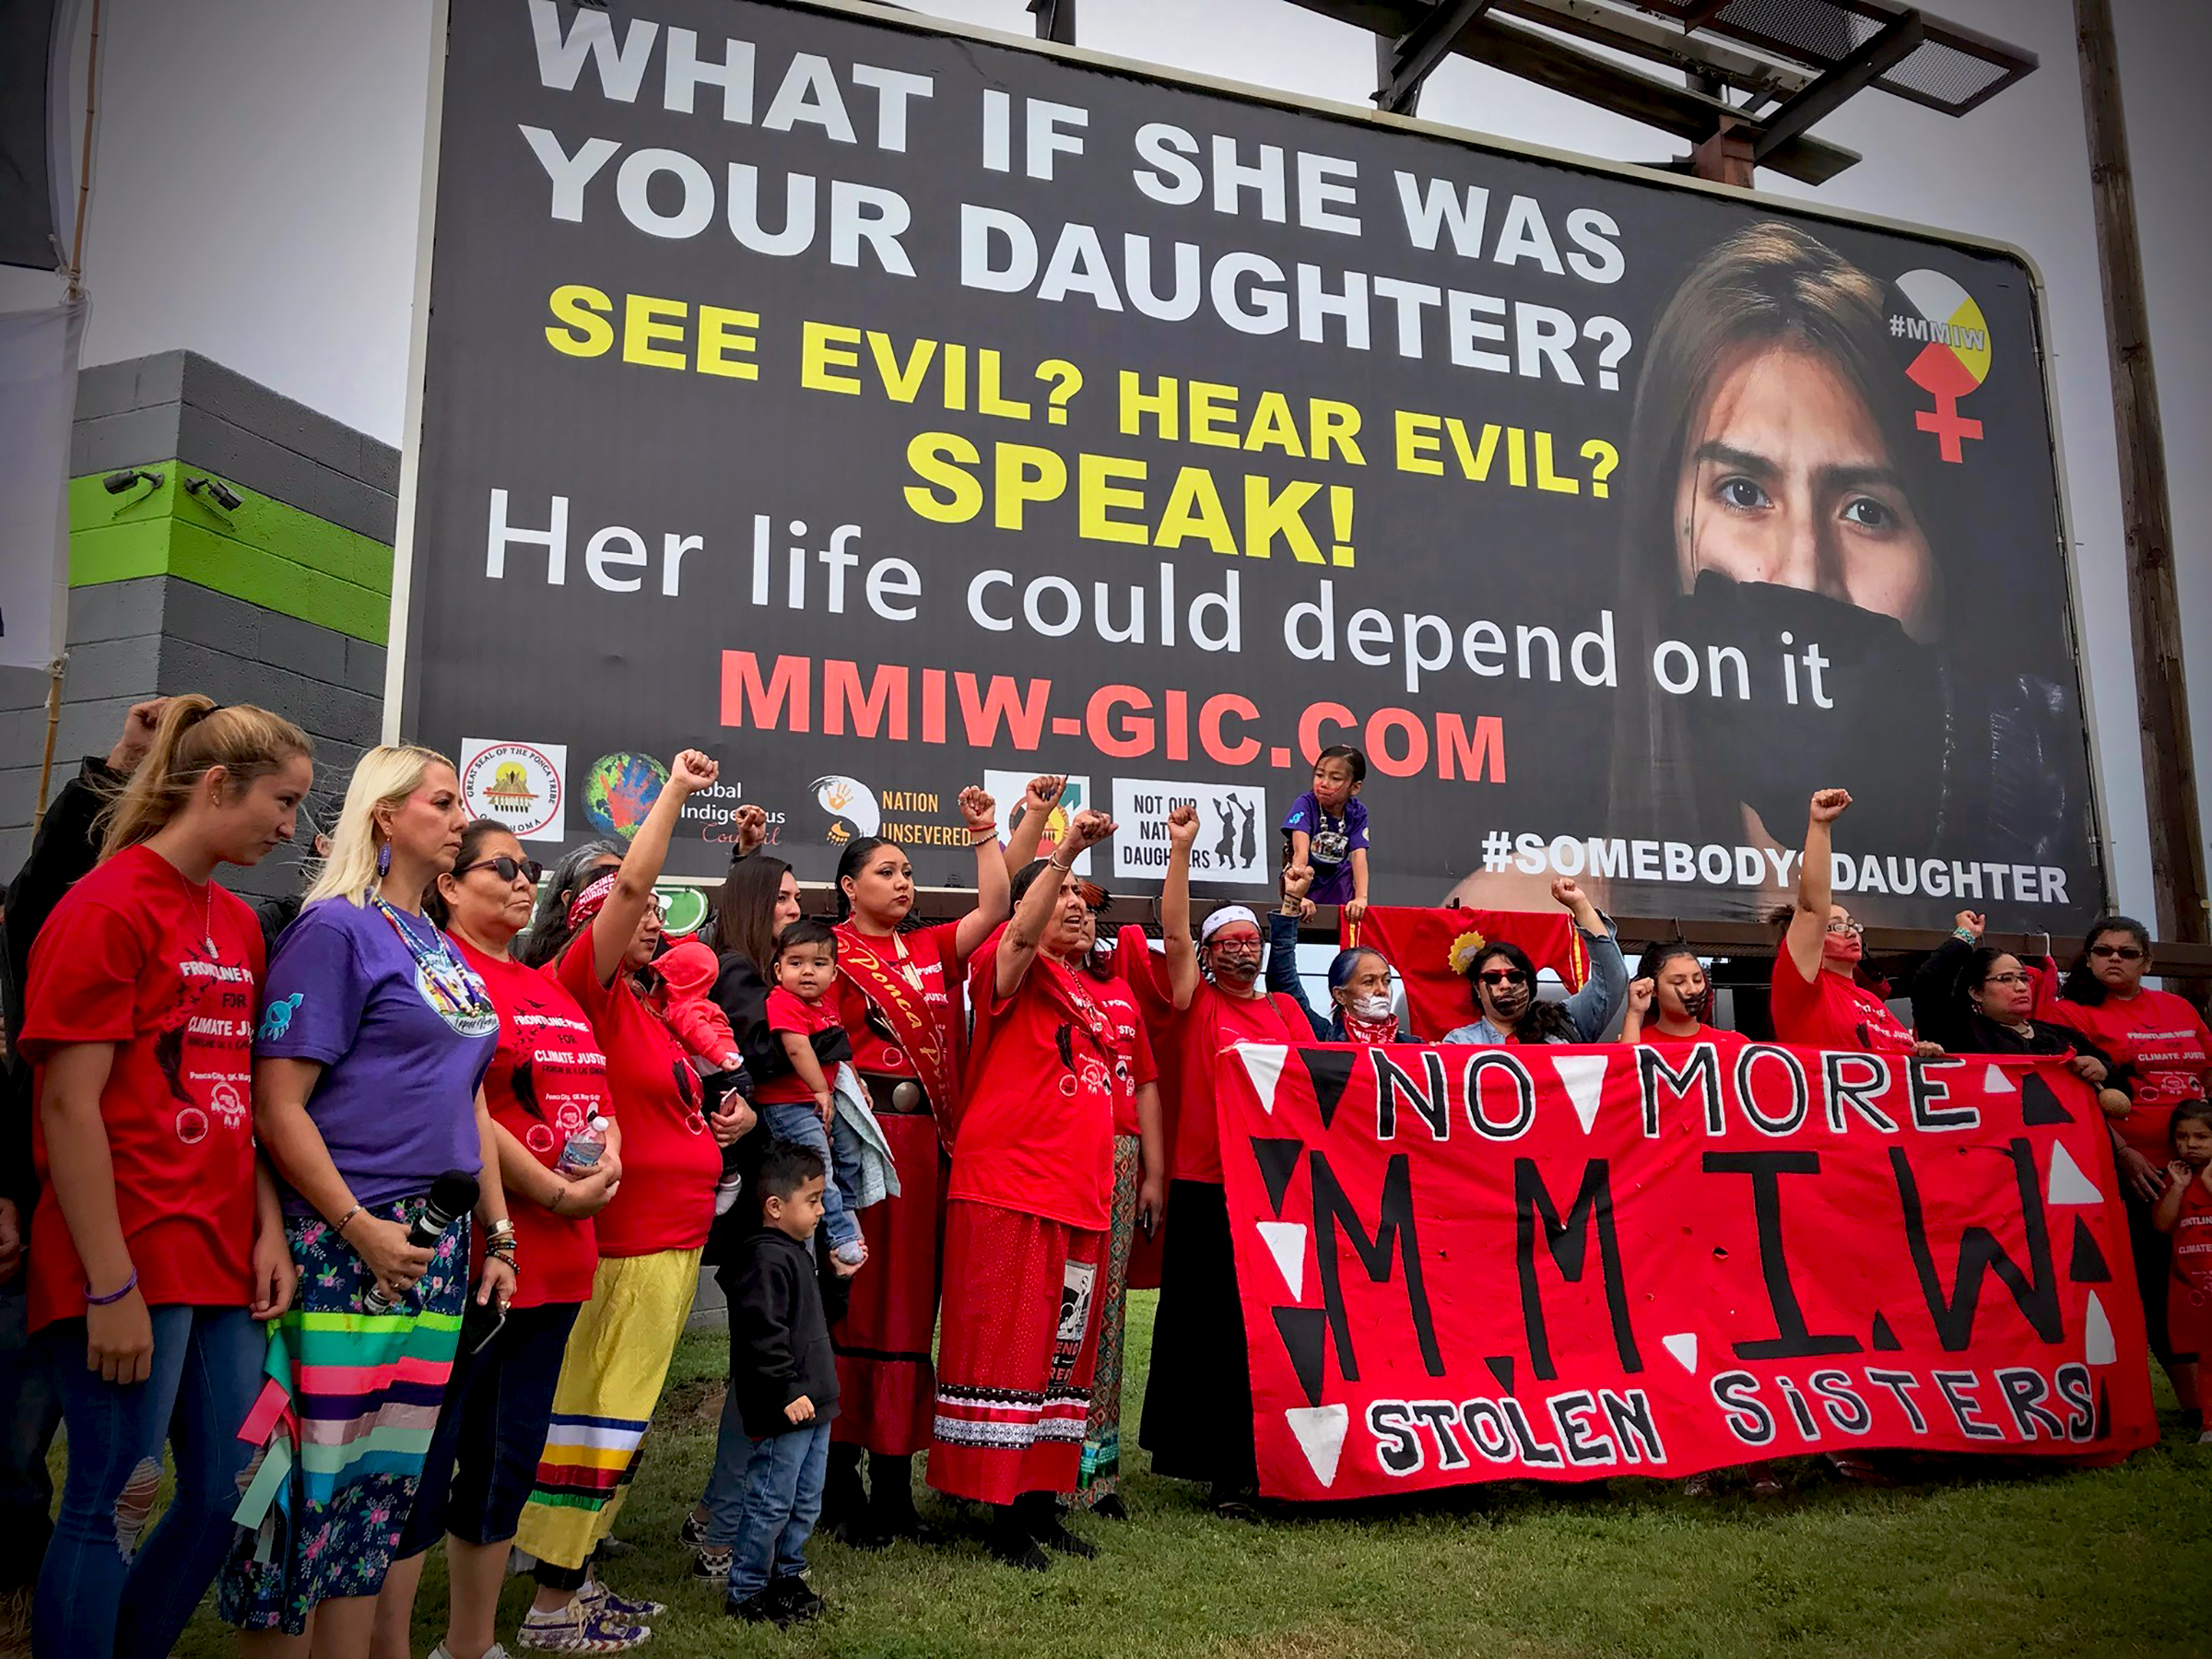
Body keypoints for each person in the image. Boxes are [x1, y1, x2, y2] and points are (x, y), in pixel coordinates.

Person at [1606, 220, 2090, 909]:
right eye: (1743, 493)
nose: (1805, 575)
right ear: (1665, 534)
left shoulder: (2043, 913)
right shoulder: (1539, 916)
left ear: (1945, 567)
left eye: (1868, 510)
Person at [22, 697, 312, 1659]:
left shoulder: (238, 922)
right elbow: (67, 1109)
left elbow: (243, 1098)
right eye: (282, 801)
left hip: (222, 1254)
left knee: (237, 1487)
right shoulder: (104, 905)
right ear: (217, 785)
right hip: (126, 1254)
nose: (291, 828)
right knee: (117, 1497)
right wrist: (108, 1285)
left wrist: (268, 1230)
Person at [223, 744, 516, 1659]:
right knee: (305, 1487)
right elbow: (278, 1106)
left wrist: (497, 1234)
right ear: (386, 816)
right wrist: (358, 1228)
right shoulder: (335, 930)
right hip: (343, 1246)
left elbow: (466, 1098)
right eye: (444, 801)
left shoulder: (433, 941)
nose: (462, 818)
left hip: (431, 1248)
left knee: (376, 1494)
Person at [510, 749, 754, 1651]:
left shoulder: (648, 1003)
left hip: (669, 1242)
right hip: (628, 1244)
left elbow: (663, 1103)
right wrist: (679, 793)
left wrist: (721, 1121)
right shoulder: (587, 984)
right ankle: (552, 1603)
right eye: (633, 903)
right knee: (595, 1417)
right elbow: (629, 889)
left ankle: (577, 1574)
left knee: (618, 1420)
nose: (653, 914)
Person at [371, 821, 625, 1659]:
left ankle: (471, 1644)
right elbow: (465, 1105)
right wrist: (551, 1192)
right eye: (503, 866)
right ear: (448, 884)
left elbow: (594, 1092)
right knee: (425, 1458)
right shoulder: (438, 972)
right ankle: (386, 1646)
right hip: (474, 1263)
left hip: (560, 1264)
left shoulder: (548, 986)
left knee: (502, 1463)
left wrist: (608, 1158)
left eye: (531, 868)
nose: (524, 881)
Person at [0, 696, 170, 1590]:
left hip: (120, 1222)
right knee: (14, 1439)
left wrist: (121, 762)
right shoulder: (68, 917)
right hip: (31, 1206)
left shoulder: (173, 913)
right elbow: (45, 890)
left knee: (104, 1464)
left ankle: (48, 1594)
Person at [819, 788, 1008, 1546]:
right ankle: (837, 1486)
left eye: (907, 872)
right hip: (860, 1142)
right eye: (886, 872)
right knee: (856, 1303)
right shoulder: (828, 952)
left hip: (928, 1147)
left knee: (907, 1309)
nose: (902, 882)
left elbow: (996, 906)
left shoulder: (930, 948)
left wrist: (986, 831)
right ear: (848, 886)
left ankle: (895, 1490)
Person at [931, 810, 1120, 1566]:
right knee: (1005, 1352)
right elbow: (1014, 938)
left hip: (1080, 1196)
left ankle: (1040, 1504)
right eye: (1060, 891)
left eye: (1081, 894)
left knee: (1061, 1356)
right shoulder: (1003, 965)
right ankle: (999, 1515)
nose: (1074, 902)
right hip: (1009, 1187)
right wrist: (1064, 847)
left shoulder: (1087, 988)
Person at [1140, 805, 1312, 1514]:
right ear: (1208, 954)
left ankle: (1274, 1456)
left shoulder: (1287, 1014)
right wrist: (1181, 850)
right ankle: (1218, 1466)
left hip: (1277, 1190)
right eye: (1229, 943)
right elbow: (1174, 931)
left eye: (1251, 940)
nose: (1243, 951)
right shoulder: (1195, 1003)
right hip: (1206, 1186)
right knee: (1208, 1324)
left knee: (1269, 1325)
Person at [2045, 915, 2211, 1408]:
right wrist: (2122, 1154)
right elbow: (2071, 1096)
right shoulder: (2071, 1014)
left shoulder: (2178, 1007)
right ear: (2089, 959)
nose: (2114, 959)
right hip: (2140, 1174)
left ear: (2148, 962)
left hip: (2203, 1171)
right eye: (2103, 951)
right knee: (2162, 1284)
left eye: (2127, 952)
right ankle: (2194, 1404)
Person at [1068, 885, 1164, 1517]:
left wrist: (1155, 1173)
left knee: (1106, 1311)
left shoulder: (1121, 993)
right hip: (1058, 1152)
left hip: (1123, 1158)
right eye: (1062, 902)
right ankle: (1039, 1464)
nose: (1077, 915)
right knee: (1059, 1307)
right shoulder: (1033, 980)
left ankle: (1096, 1474)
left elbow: (1146, 1082)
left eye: (1085, 908)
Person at [722, 1139, 841, 1625]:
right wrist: (787, 1391)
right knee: (771, 1499)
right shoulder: (764, 1261)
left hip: (815, 1405)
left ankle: (786, 1576)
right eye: (812, 1200)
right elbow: (762, 1336)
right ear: (775, 1206)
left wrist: (840, 1279)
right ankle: (747, 1589)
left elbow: (816, 1321)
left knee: (805, 1500)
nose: (820, 1210)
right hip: (785, 1408)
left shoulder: (796, 1254)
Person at [1766, 789, 1941, 1057]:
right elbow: (1812, 910)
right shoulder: (1802, 990)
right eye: (1835, 926)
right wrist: (1820, 825)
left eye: (1851, 924)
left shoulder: (1871, 1000)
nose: (1850, 932)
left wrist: (1921, 1053)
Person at [1906, 912, 2125, 1108]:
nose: (2021, 987)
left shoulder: (2063, 1036)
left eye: (2023, 978)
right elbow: (1928, 986)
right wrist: (1966, 935)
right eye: (2006, 979)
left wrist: (2104, 1070)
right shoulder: (1960, 1033)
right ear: (1977, 993)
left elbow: (2123, 1087)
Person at [759, 919, 869, 1269]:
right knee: (821, 1165)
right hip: (789, 1104)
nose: (807, 971)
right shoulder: (783, 1002)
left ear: (834, 973)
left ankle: (845, 1207)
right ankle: (840, 1235)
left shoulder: (826, 1006)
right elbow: (797, 1048)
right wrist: (821, 1090)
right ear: (778, 970)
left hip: (820, 1101)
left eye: (818, 963)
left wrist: (858, 1085)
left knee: (850, 1150)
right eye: (796, 963)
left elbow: (841, 1049)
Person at [1441, 877, 1626, 1045]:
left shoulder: (1565, 1021)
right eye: (1492, 978)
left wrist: (1580, 905)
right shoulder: (1460, 1043)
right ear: (1477, 988)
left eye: (1515, 976)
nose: (1505, 985)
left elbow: (1612, 980)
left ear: (1529, 983)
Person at [1271, 865, 1400, 1043]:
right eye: (1369, 982)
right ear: (1340, 995)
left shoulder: (1415, 1046)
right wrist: (1292, 902)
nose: (1382, 990)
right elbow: (1283, 983)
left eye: (1386, 981)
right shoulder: (1323, 1036)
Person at [2154, 1101, 2212, 1442]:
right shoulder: (2177, 1176)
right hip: (2193, 1284)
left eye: (2201, 1137)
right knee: (2206, 1356)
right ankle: (2210, 1423)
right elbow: (2162, 1225)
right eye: (2182, 1137)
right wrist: (2177, 1187)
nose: (2190, 1144)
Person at [1280, 747, 1370, 923]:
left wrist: (1361, 898)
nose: (1324, 783)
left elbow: (1358, 856)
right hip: (1307, 883)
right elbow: (1300, 853)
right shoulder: (1305, 804)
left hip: (1339, 887)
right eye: (1320, 775)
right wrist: (1299, 896)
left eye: (1335, 778)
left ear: (1355, 787)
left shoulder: (1358, 812)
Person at [1620, 943, 1746, 1049]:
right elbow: (1625, 1066)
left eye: (1697, 980)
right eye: (1678, 982)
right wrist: (1634, 1013)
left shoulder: (1735, 1044)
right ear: (1653, 989)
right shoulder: (1637, 1042)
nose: (1693, 990)